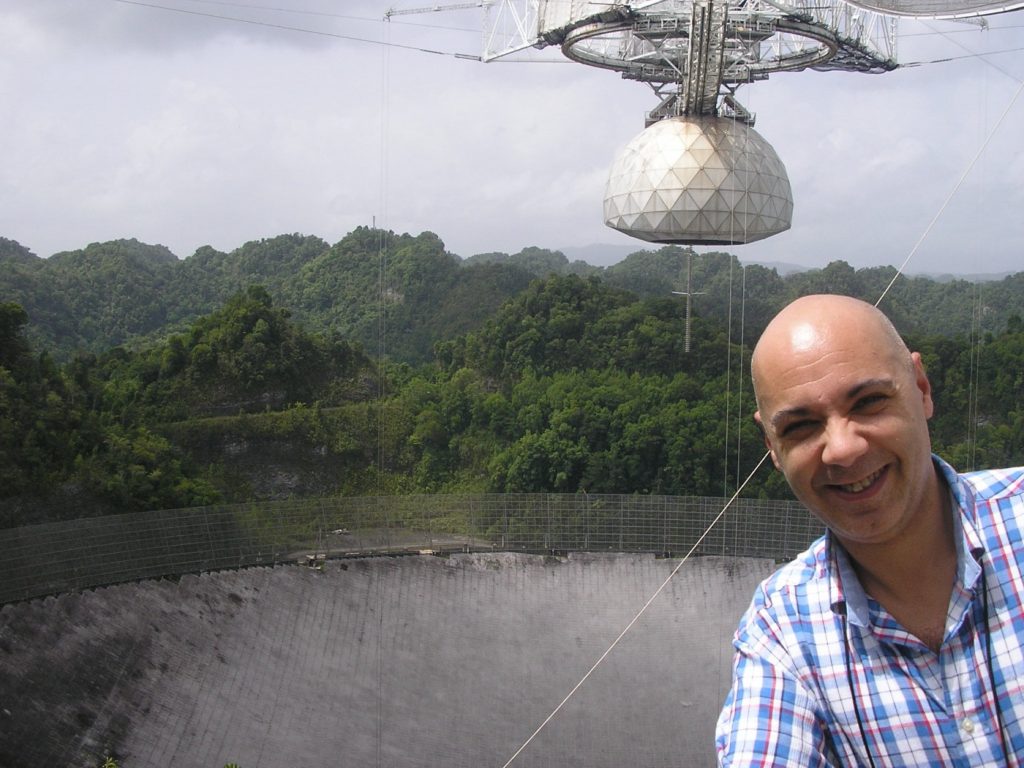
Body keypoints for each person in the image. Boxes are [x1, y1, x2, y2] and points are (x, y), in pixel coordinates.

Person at [715, 293, 1024, 766]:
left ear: (921, 387)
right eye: (800, 426)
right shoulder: (783, 633)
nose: (841, 449)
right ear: (772, 447)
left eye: (869, 401)